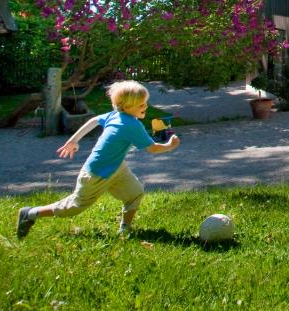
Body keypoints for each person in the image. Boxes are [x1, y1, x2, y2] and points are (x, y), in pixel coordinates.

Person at [15, 80, 180, 239]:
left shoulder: (116, 115)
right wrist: (170, 146)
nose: (146, 106)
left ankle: (125, 228)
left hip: (116, 167)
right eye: (142, 104)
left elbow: (94, 120)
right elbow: (152, 148)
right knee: (73, 207)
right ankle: (30, 213)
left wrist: (74, 140)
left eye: (145, 102)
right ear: (127, 107)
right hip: (96, 174)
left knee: (135, 193)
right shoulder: (131, 125)